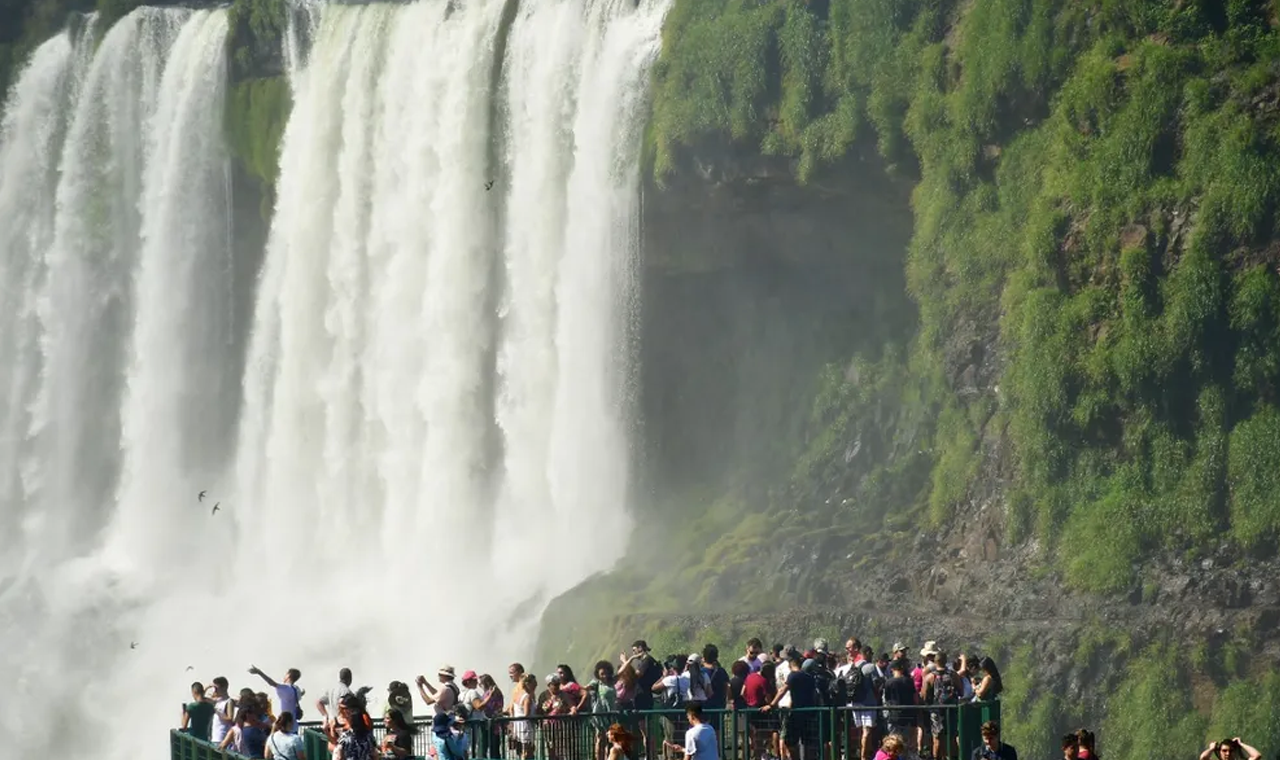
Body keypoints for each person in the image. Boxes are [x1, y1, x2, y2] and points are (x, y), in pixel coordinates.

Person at [209, 676, 236, 747]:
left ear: (224, 688)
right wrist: (208, 687)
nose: (215, 690)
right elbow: (202, 698)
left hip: (222, 736)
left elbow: (230, 718)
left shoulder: (229, 701)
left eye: (216, 688)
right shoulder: (217, 700)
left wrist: (217, 711)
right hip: (214, 737)